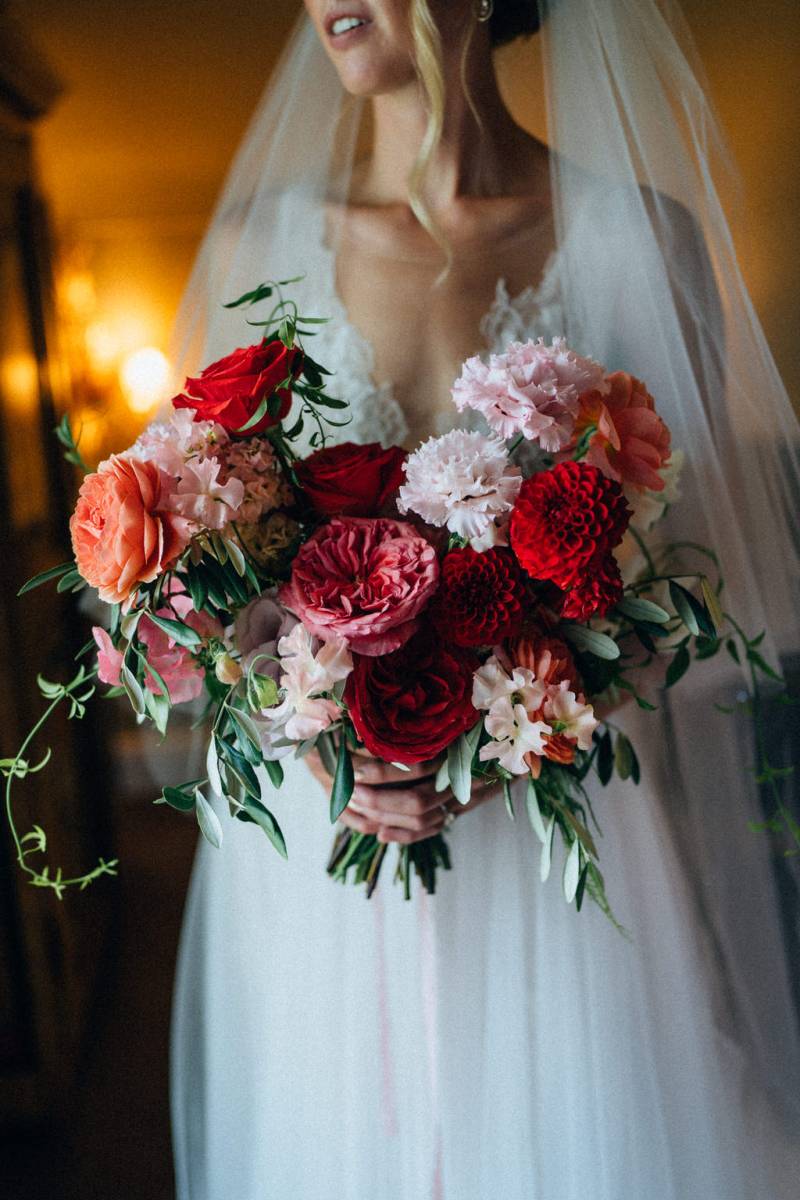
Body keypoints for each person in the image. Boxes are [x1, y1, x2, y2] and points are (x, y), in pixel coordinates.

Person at [170, 3, 800, 1197]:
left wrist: (514, 733)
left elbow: (686, 599)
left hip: (547, 852)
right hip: (321, 860)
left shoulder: (636, 239)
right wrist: (296, 715)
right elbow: (214, 575)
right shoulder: (267, 240)